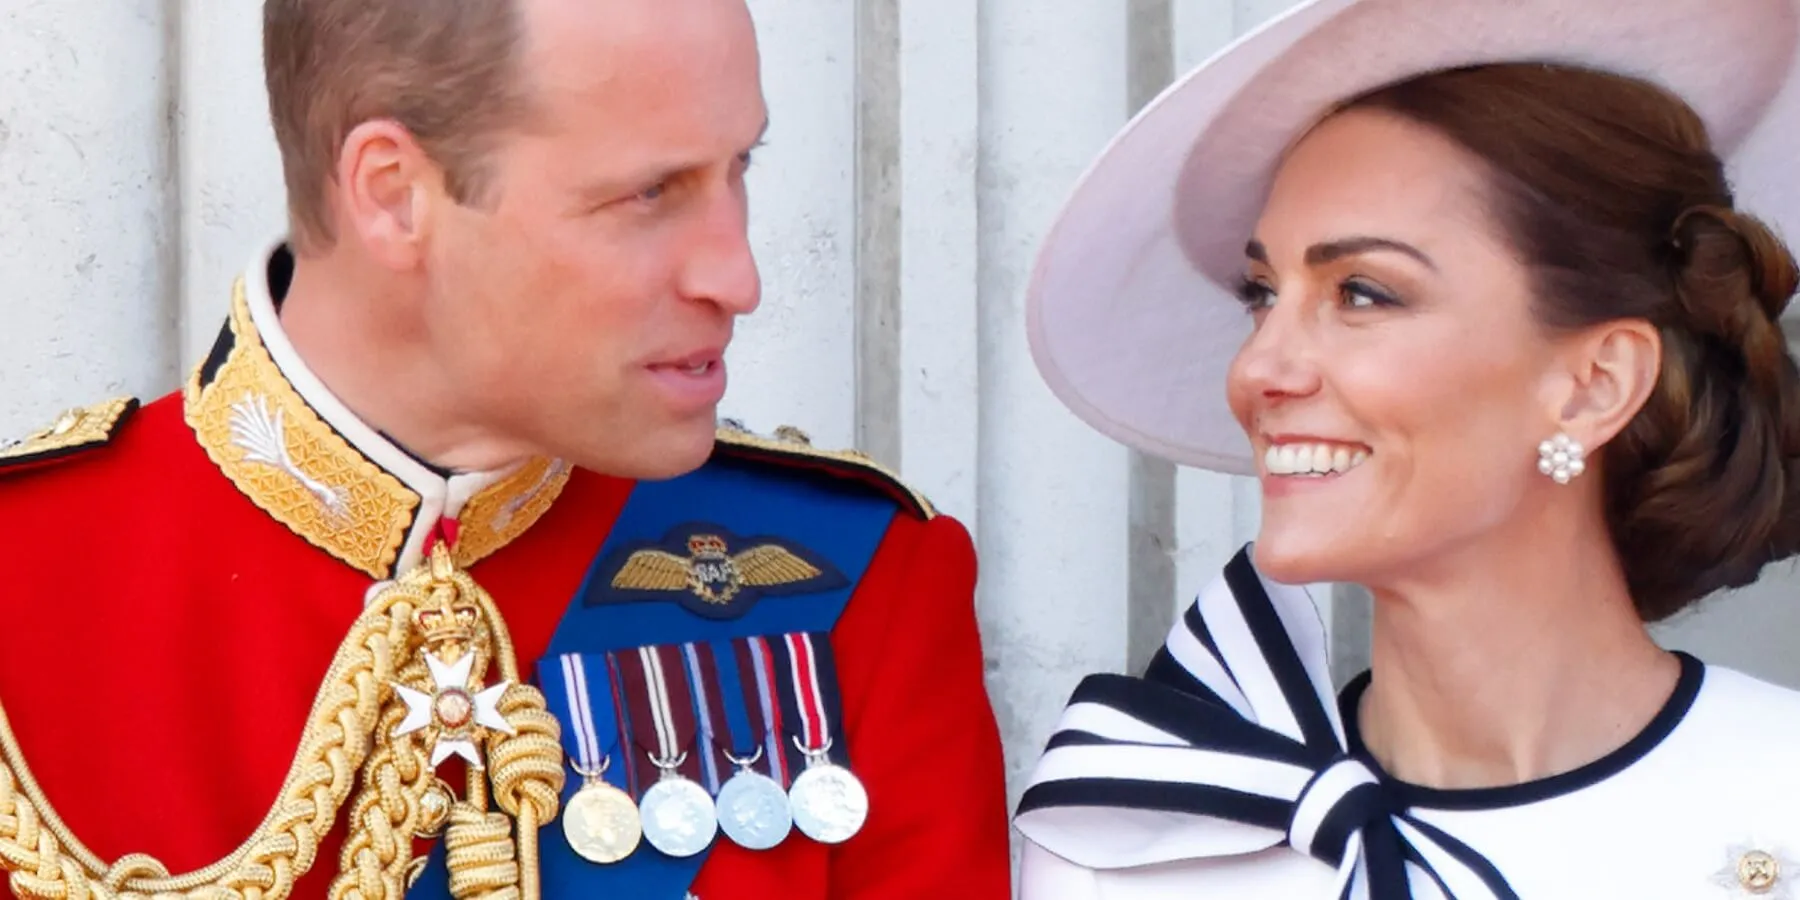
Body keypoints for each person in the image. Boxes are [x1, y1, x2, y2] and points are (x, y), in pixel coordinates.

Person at [0, 1, 1011, 898]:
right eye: (650, 193)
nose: (737, 276)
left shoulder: (856, 585)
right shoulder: (24, 579)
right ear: (393, 192)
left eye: (738, 168)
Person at [1010, 0, 1800, 897]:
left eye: (1363, 292)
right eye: (1262, 293)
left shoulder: (1782, 800)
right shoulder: (1137, 851)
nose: (1258, 368)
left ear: (1595, 384)